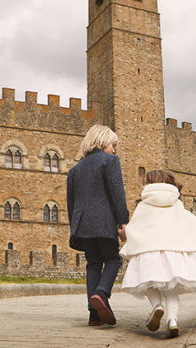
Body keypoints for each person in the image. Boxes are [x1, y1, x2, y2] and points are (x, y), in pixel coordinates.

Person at [120, 170, 196, 337]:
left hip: (148, 251)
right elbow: (188, 221)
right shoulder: (175, 202)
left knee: (147, 282)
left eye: (145, 182)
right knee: (172, 290)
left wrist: (124, 235)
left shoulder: (144, 204)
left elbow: (136, 227)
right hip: (174, 252)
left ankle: (157, 306)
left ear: (150, 184)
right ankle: (173, 321)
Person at [67, 124, 129, 326]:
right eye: (113, 145)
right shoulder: (110, 161)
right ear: (103, 142)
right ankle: (102, 294)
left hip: (82, 224)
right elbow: (117, 193)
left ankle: (94, 316)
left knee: (93, 264)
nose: (114, 149)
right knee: (113, 259)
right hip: (103, 221)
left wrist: (74, 227)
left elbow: (71, 203)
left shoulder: (75, 170)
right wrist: (122, 221)